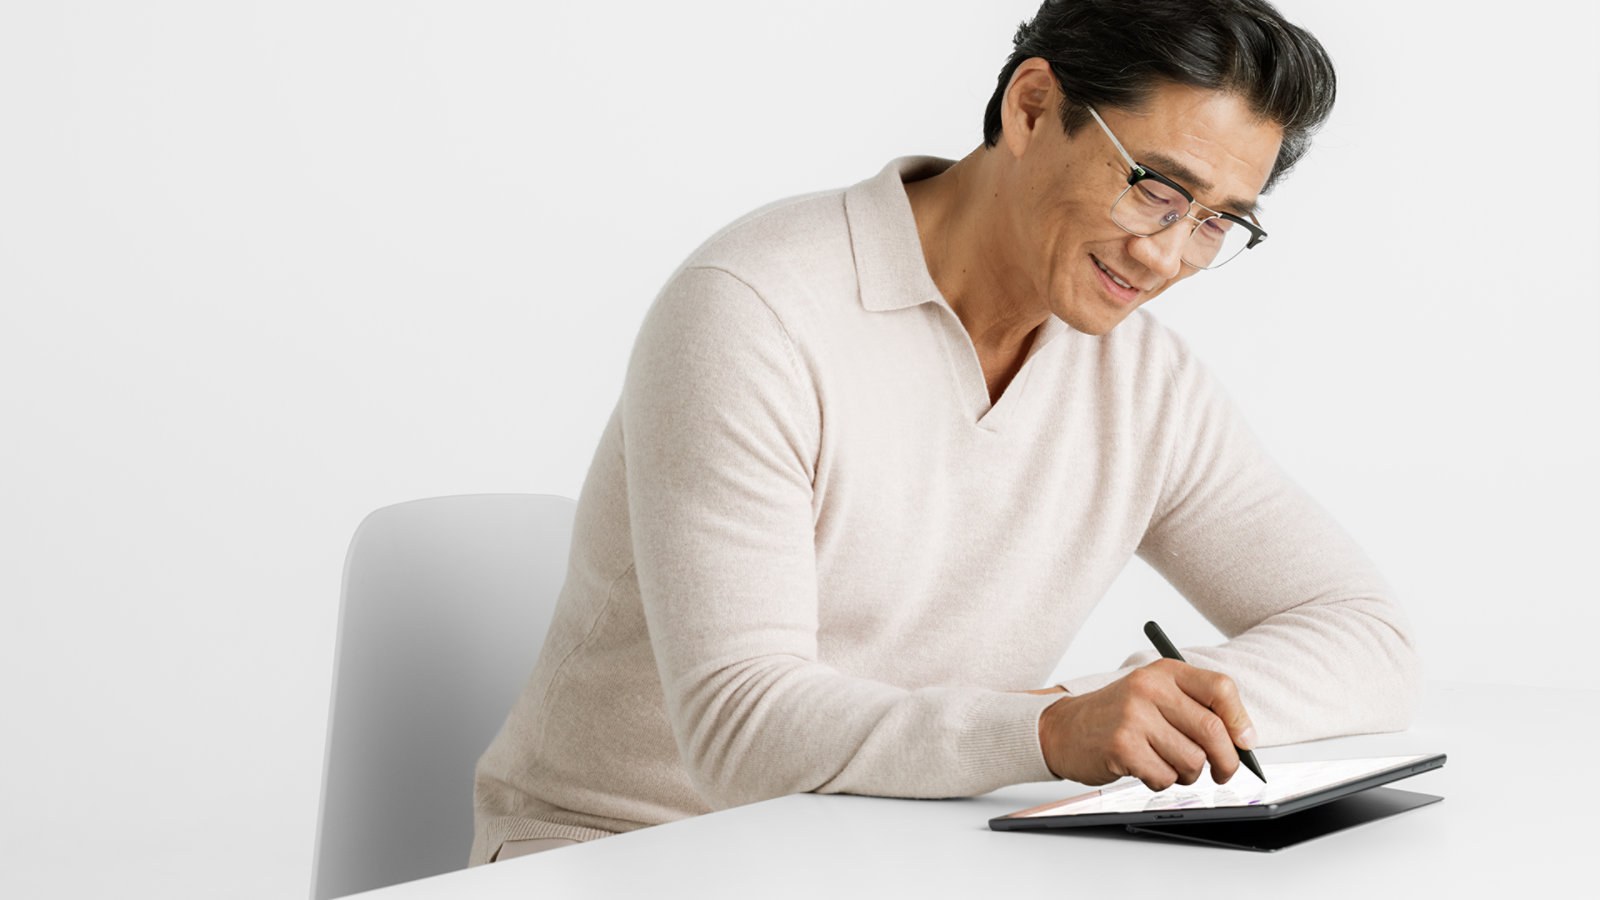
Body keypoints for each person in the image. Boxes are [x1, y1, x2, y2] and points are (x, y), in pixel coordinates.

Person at [471, 0, 1420, 865]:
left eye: (1217, 224)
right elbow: (739, 729)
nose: (1168, 255)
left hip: (902, 853)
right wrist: (1053, 733)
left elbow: (1368, 641)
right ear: (1034, 107)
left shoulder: (1142, 382)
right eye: (1154, 188)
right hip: (625, 857)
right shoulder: (755, 310)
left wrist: (1134, 714)